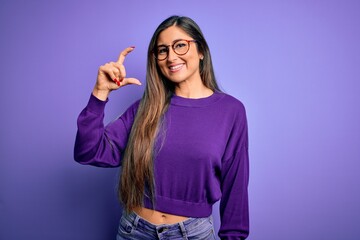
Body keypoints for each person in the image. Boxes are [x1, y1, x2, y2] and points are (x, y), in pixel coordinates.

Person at [74, 15, 249, 240]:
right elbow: (88, 152)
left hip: (192, 234)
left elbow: (236, 183)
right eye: (162, 50)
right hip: (134, 231)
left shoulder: (230, 111)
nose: (171, 56)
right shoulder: (144, 109)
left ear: (201, 51)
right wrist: (100, 94)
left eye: (180, 45)